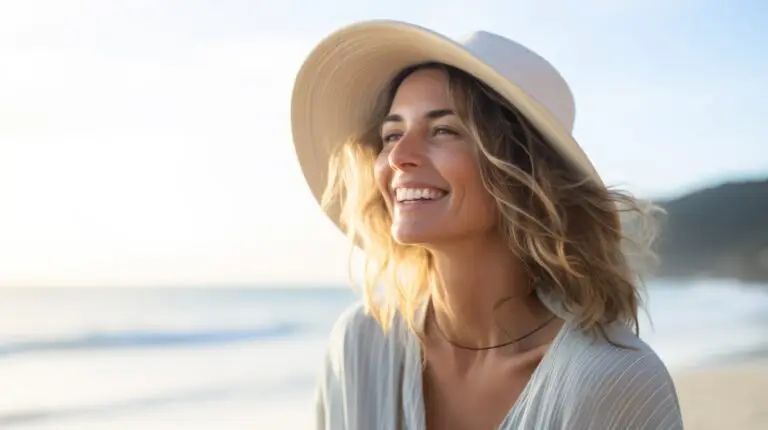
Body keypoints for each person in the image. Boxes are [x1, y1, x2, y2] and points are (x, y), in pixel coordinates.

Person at [290, 20, 684, 430]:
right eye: (391, 135)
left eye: (442, 130)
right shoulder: (360, 345)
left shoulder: (612, 382)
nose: (398, 157)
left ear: (520, 169)